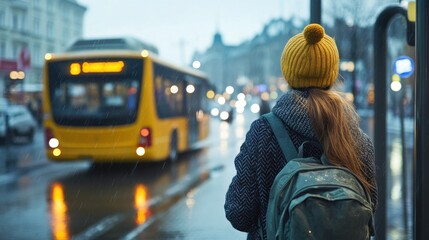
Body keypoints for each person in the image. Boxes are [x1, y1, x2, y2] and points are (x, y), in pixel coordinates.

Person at [224, 23, 377, 239]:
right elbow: (370, 207)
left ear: (288, 72)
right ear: (332, 74)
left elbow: (238, 213)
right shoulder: (357, 139)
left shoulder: (263, 132)